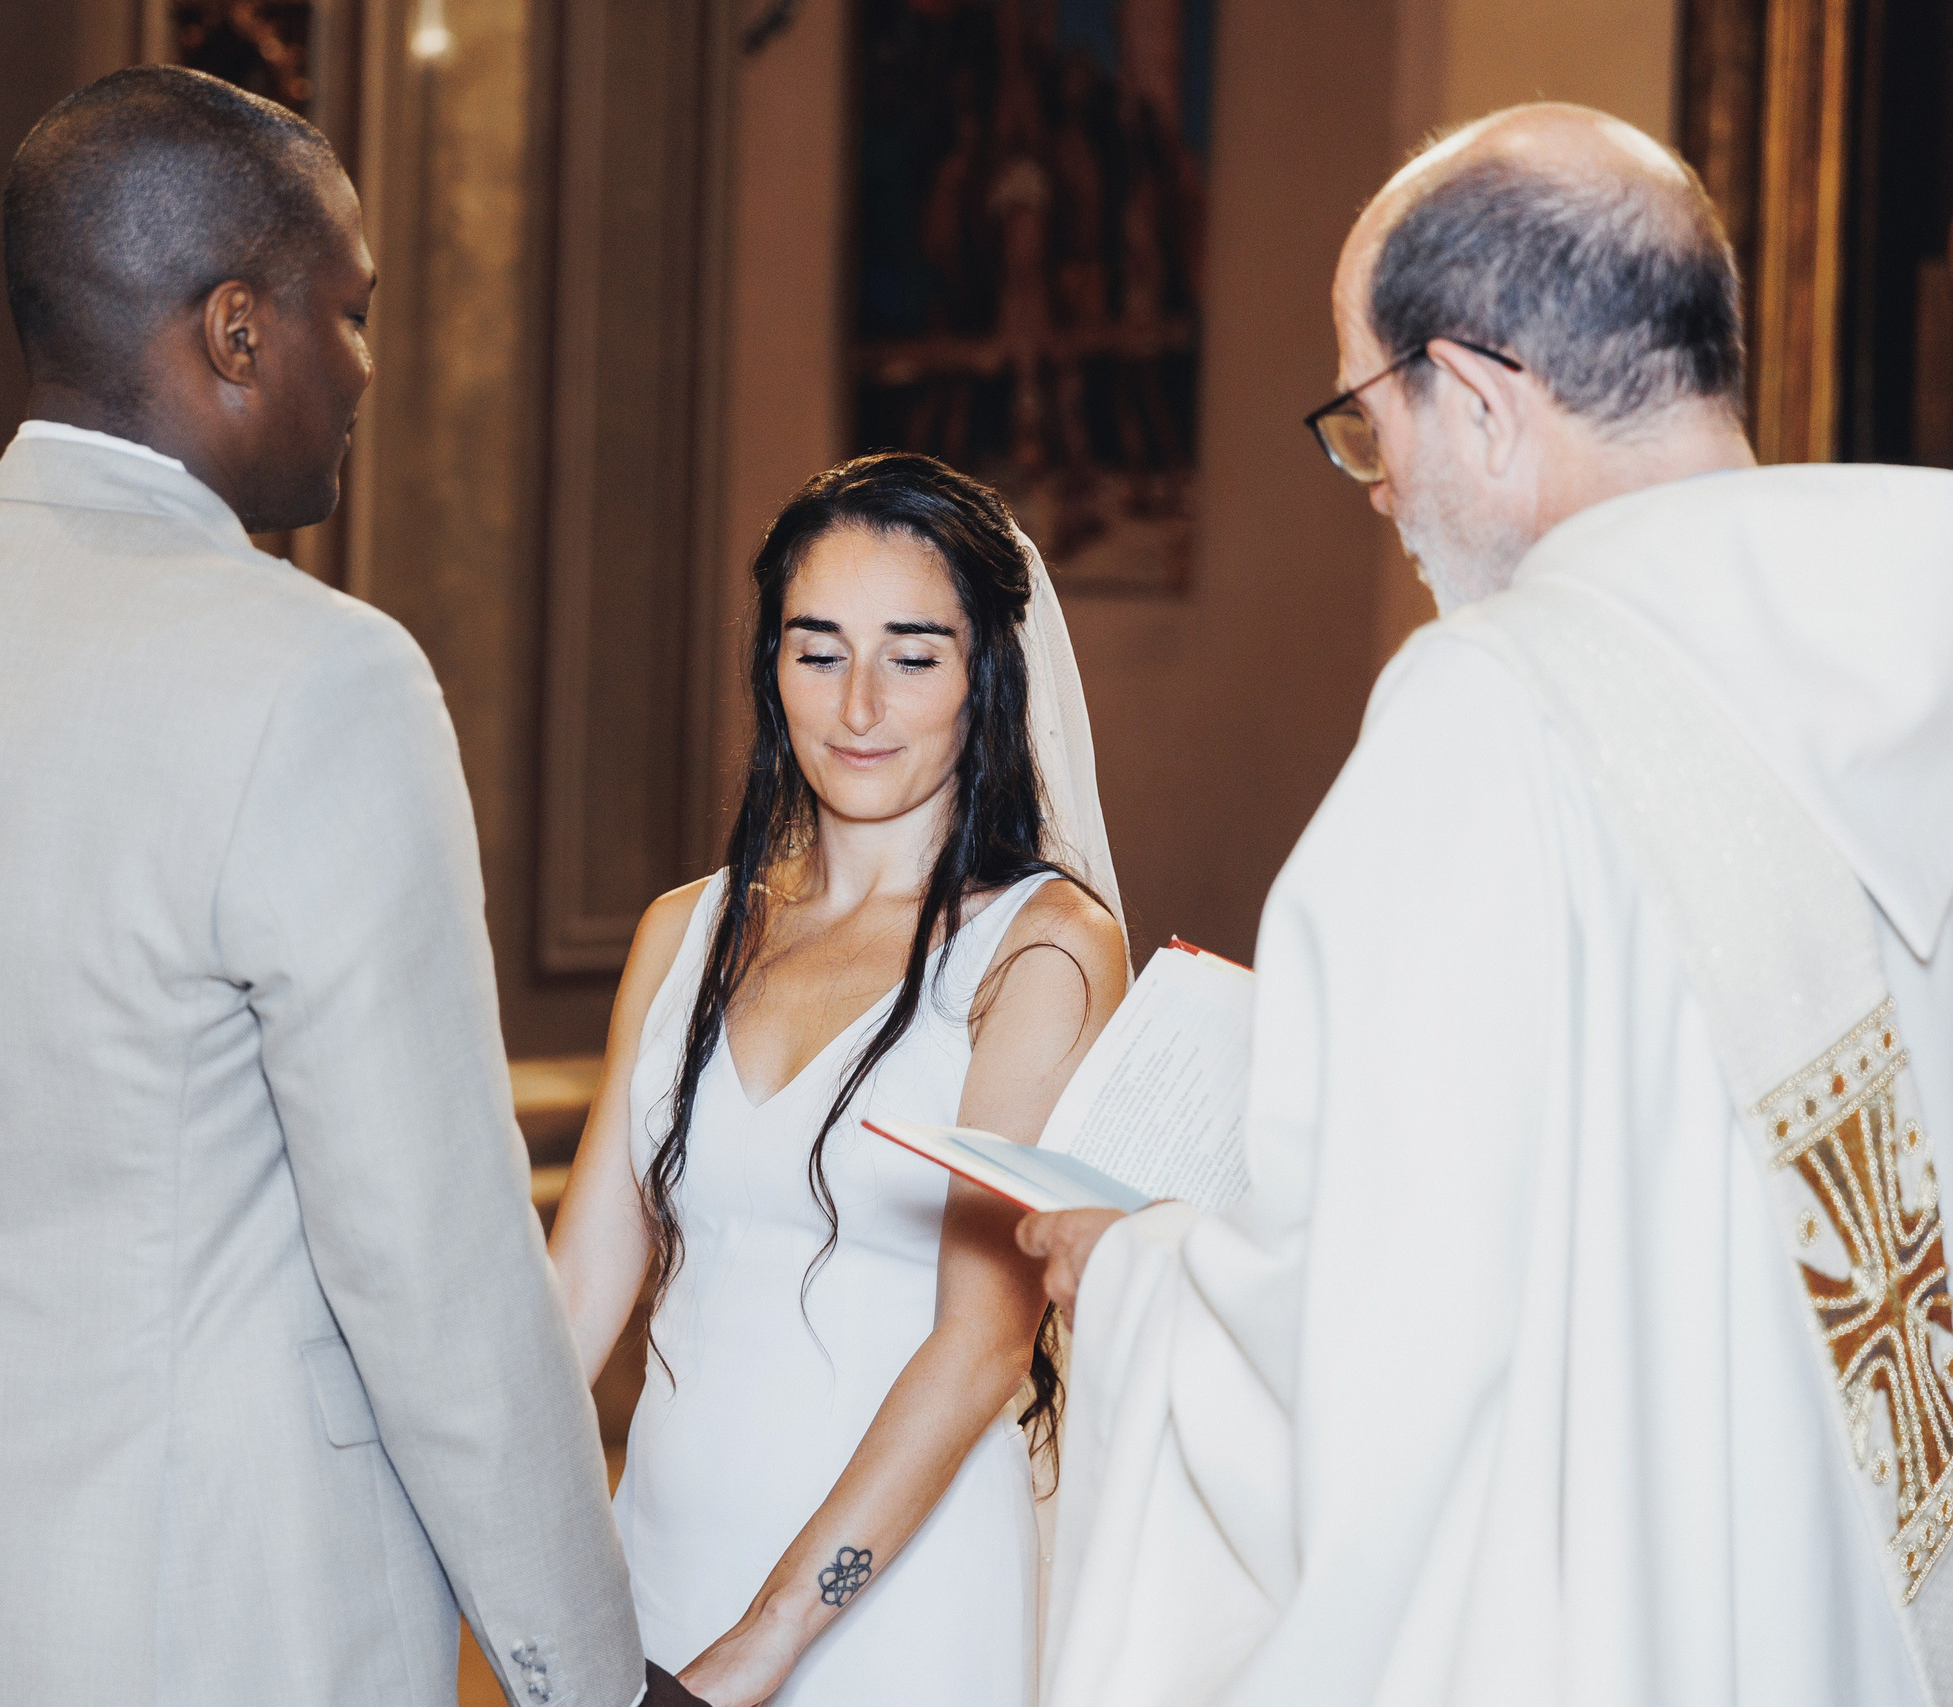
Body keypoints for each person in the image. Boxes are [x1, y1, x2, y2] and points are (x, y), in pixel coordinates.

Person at [0, 68, 663, 1707]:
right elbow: (431, 1264)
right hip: (208, 1610)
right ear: (239, 329)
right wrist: (582, 1667)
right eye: (350, 314)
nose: (368, 365)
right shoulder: (315, 681)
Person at [1020, 104, 1953, 1703]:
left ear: (1479, 394)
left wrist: (1131, 1272)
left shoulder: (1496, 714)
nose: (1376, 490)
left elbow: (1367, 1352)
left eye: (1370, 424)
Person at [547, 453, 1132, 1706]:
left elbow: (982, 1343)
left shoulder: (1041, 948)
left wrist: (759, 1648)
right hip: (653, 1571)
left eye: (913, 656)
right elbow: (584, 1283)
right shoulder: (680, 931)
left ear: (985, 676)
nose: (859, 703)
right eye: (818, 651)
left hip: (894, 1610)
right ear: (772, 671)